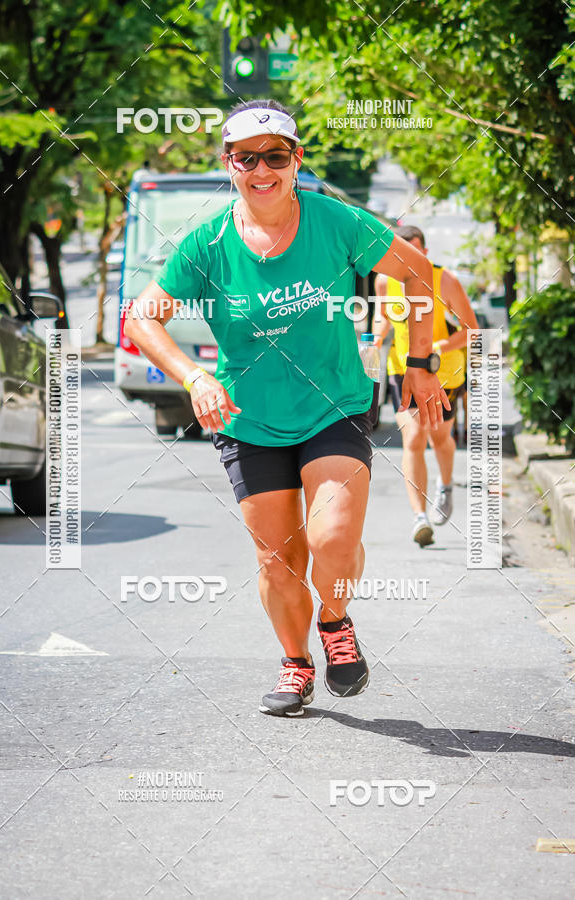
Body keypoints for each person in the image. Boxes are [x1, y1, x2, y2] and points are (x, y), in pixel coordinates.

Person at [124, 100, 449, 717]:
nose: (262, 169)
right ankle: (295, 663)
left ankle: (335, 621)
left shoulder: (338, 222)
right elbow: (140, 318)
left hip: (335, 406)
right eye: (248, 157)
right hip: (249, 420)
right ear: (230, 164)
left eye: (275, 155)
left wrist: (421, 363)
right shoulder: (209, 244)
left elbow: (417, 273)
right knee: (277, 559)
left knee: (331, 538)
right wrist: (193, 376)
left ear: (296, 160)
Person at [373, 225, 479, 546]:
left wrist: (439, 348)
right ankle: (419, 516)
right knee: (414, 437)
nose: (407, 257)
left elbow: (472, 330)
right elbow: (384, 317)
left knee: (439, 437)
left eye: (415, 251)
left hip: (441, 370)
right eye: (401, 250)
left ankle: (445, 485)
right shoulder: (384, 280)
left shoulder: (444, 280)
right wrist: (374, 339)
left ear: (426, 253)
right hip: (401, 369)